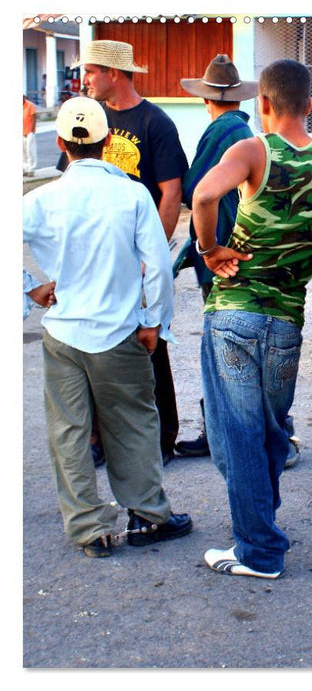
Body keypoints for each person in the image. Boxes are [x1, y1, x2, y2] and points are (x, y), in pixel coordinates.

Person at [192, 59, 312, 579]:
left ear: (265, 106)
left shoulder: (254, 150)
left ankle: (258, 550)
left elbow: (205, 194)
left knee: (237, 435)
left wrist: (209, 249)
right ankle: (262, 526)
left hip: (234, 316)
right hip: (286, 324)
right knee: (271, 432)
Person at [22, 97, 192, 558]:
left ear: (60, 144)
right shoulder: (133, 195)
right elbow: (157, 266)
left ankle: (89, 530)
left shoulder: (39, 200)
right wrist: (155, 322)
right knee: (134, 422)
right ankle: (148, 516)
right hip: (118, 332)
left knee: (69, 432)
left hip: (63, 335)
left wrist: (30, 290)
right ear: (109, 142)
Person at [70, 39, 189, 465]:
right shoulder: (88, 119)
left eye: (91, 71)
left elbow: (171, 190)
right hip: (96, 254)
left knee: (150, 341)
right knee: (94, 342)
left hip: (137, 254)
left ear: (113, 73)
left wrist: (150, 253)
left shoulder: (154, 121)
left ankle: (163, 439)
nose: (85, 80)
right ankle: (100, 441)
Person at [170, 54, 260, 460]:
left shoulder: (220, 131)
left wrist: (204, 247)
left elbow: (196, 190)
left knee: (220, 348)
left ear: (207, 100)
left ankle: (220, 433)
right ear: (240, 99)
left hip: (219, 253)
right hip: (246, 248)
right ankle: (256, 431)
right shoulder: (247, 133)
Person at [23, 95, 38, 176]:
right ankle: (25, 168)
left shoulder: (30, 105)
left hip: (29, 132)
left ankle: (31, 169)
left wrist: (32, 130)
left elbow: (34, 118)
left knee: (30, 150)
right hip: (21, 131)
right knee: (23, 151)